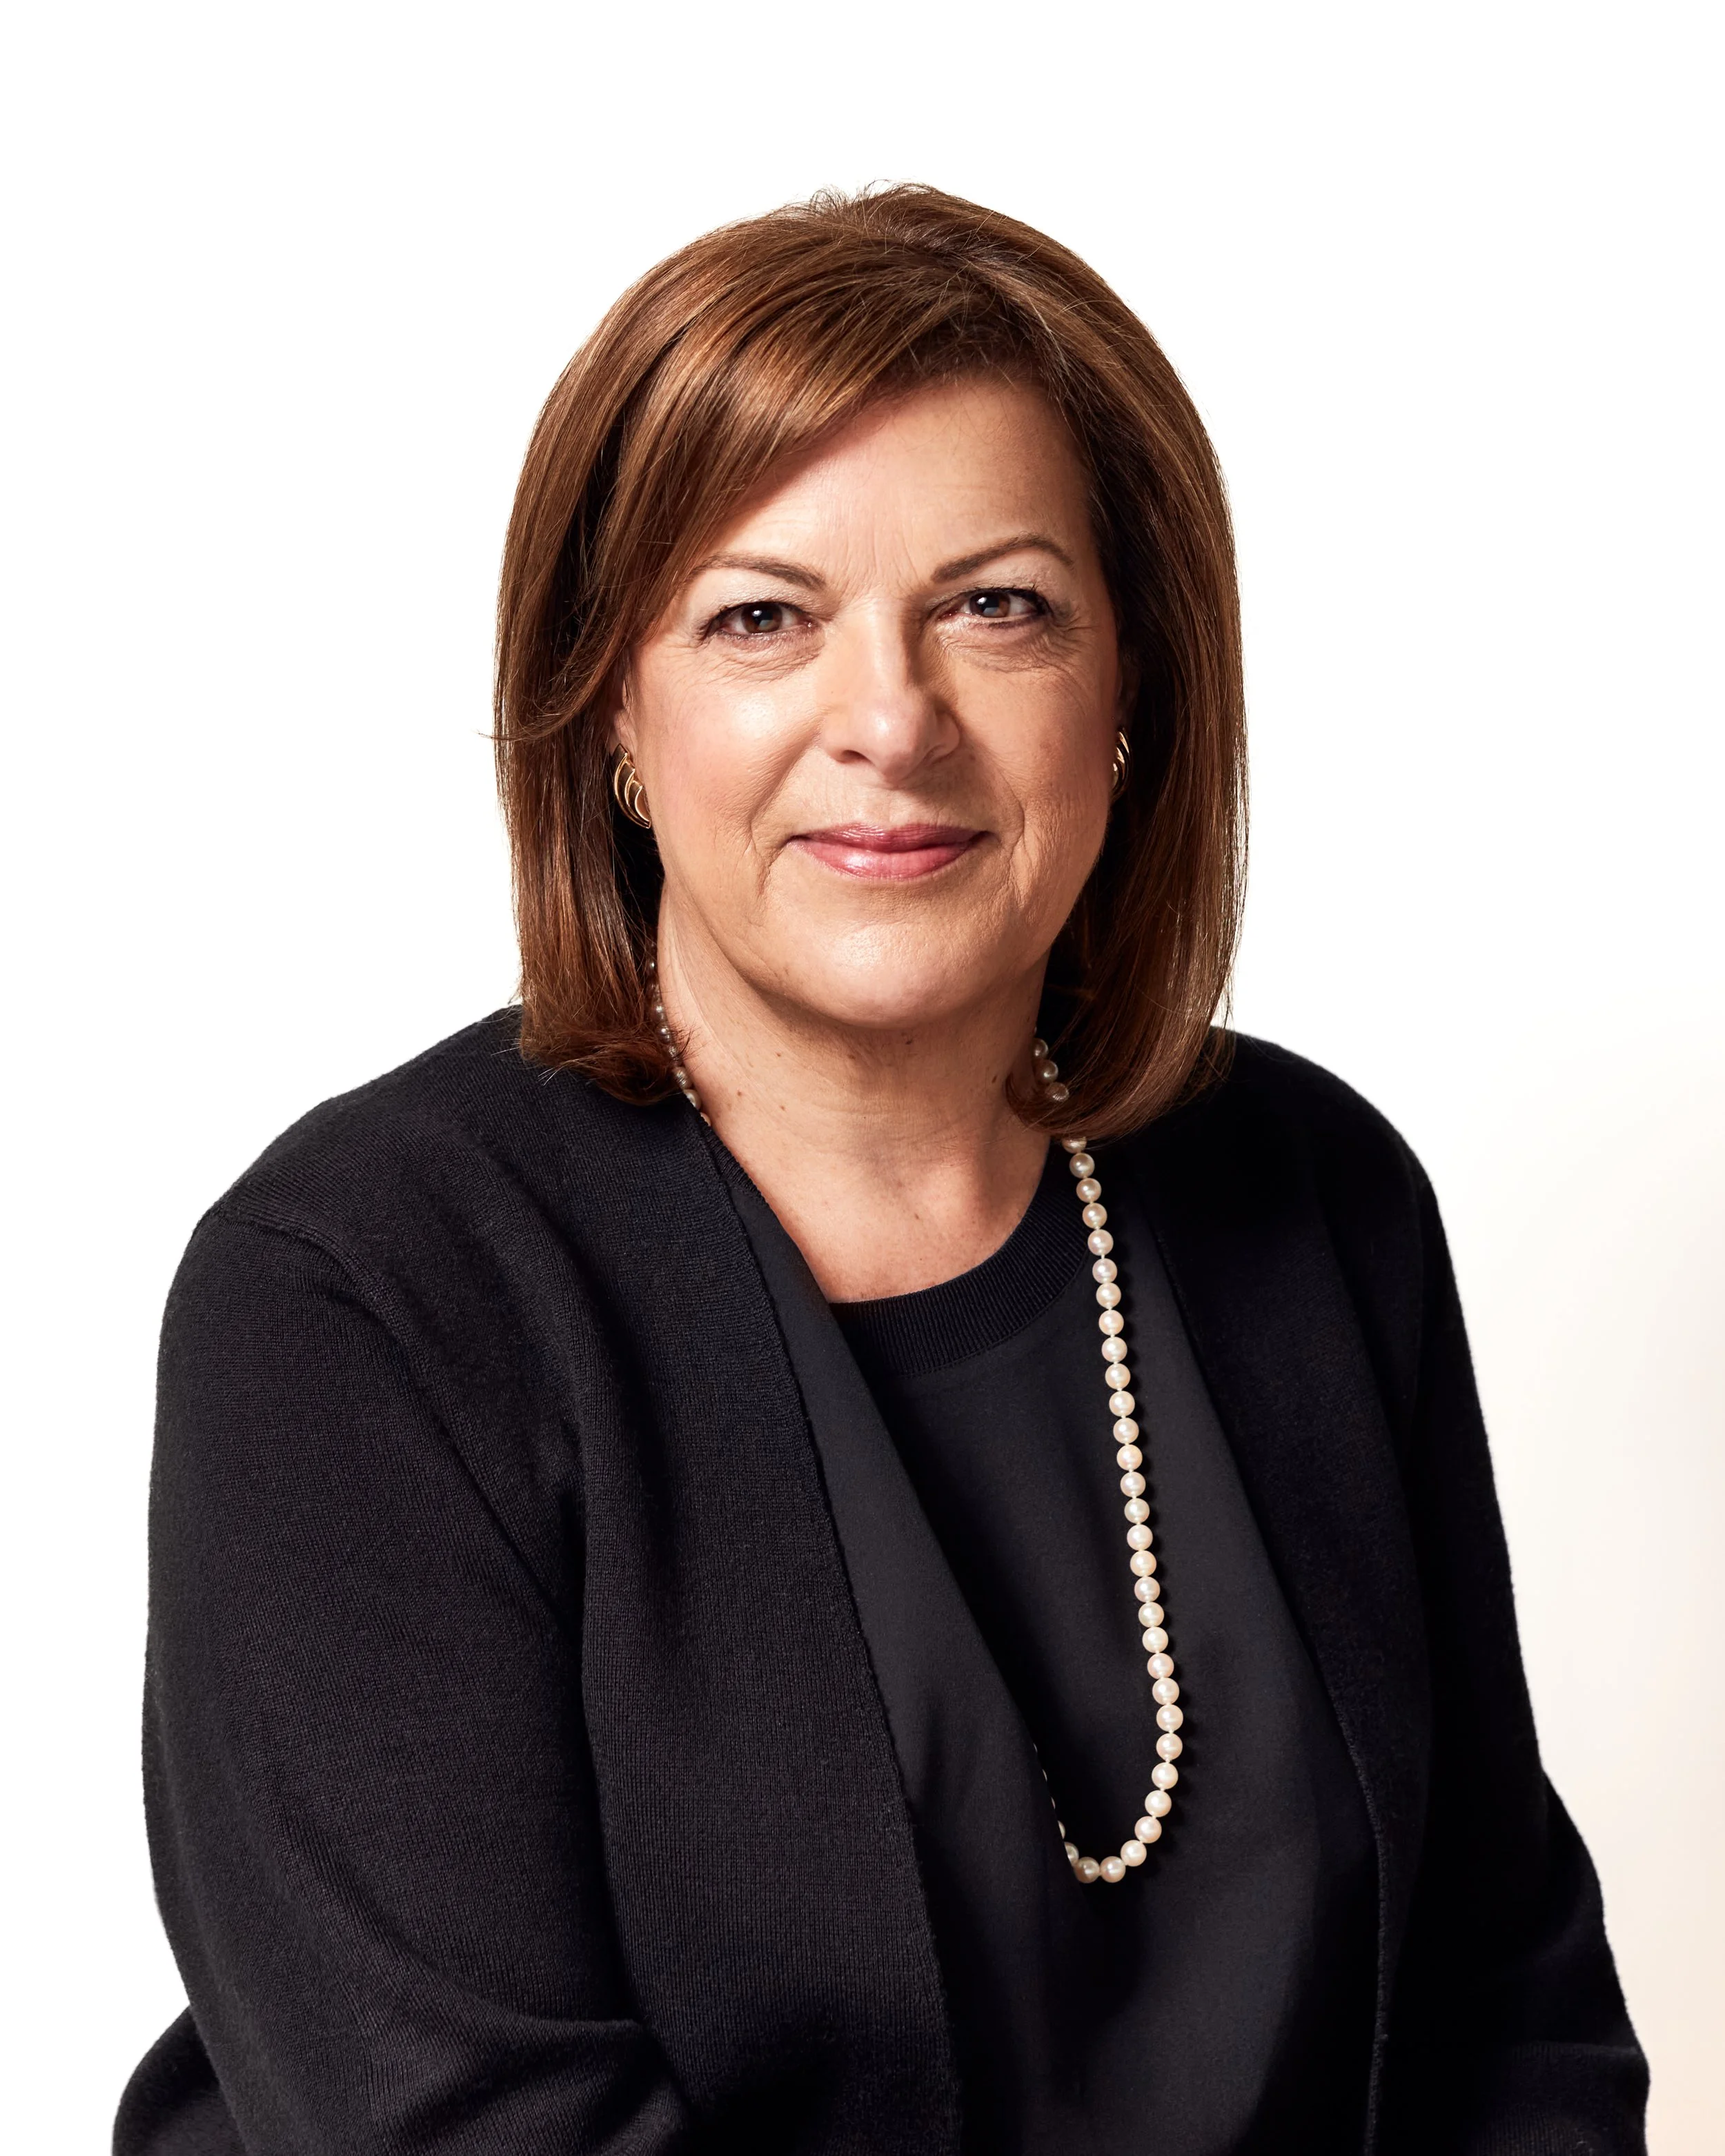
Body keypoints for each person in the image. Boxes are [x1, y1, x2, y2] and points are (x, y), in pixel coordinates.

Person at [116, 185, 1646, 2156]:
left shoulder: (1317, 1199)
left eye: (995, 605)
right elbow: (472, 2127)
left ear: (1134, 694)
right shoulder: (363, 1295)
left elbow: (1502, 2002)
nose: (891, 722)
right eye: (762, 617)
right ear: (608, 713)